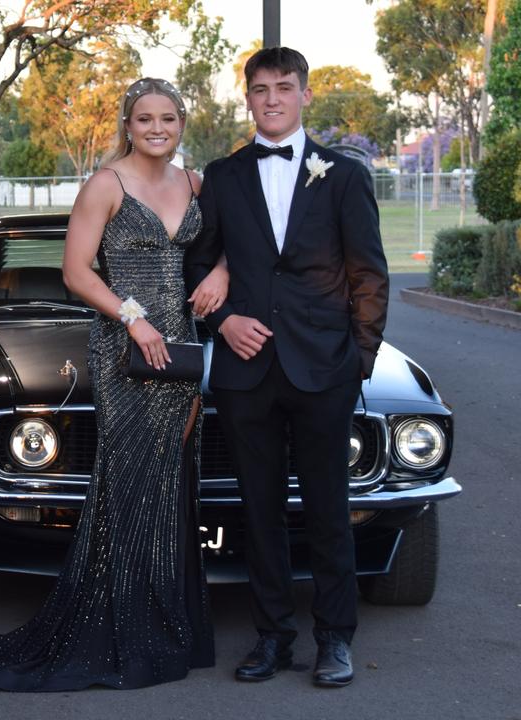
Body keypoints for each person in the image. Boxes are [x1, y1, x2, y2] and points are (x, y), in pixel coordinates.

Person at [0, 77, 230, 691]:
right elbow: (76, 272)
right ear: (128, 124)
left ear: (182, 123)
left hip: (183, 353)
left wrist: (221, 271)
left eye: (168, 118)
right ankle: (117, 632)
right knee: (129, 485)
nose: (157, 129)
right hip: (126, 348)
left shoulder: (196, 185)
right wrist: (135, 321)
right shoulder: (106, 184)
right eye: (145, 119)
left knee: (172, 486)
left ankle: (165, 630)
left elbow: (239, 242)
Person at [184, 47, 389, 688]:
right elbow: (199, 264)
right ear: (247, 98)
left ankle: (334, 639)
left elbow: (370, 274)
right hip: (247, 373)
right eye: (261, 89)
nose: (271, 98)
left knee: (329, 509)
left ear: (304, 96)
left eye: (284, 87)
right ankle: (272, 636)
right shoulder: (222, 175)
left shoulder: (346, 175)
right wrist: (222, 322)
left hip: (325, 370)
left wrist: (358, 360)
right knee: (260, 510)